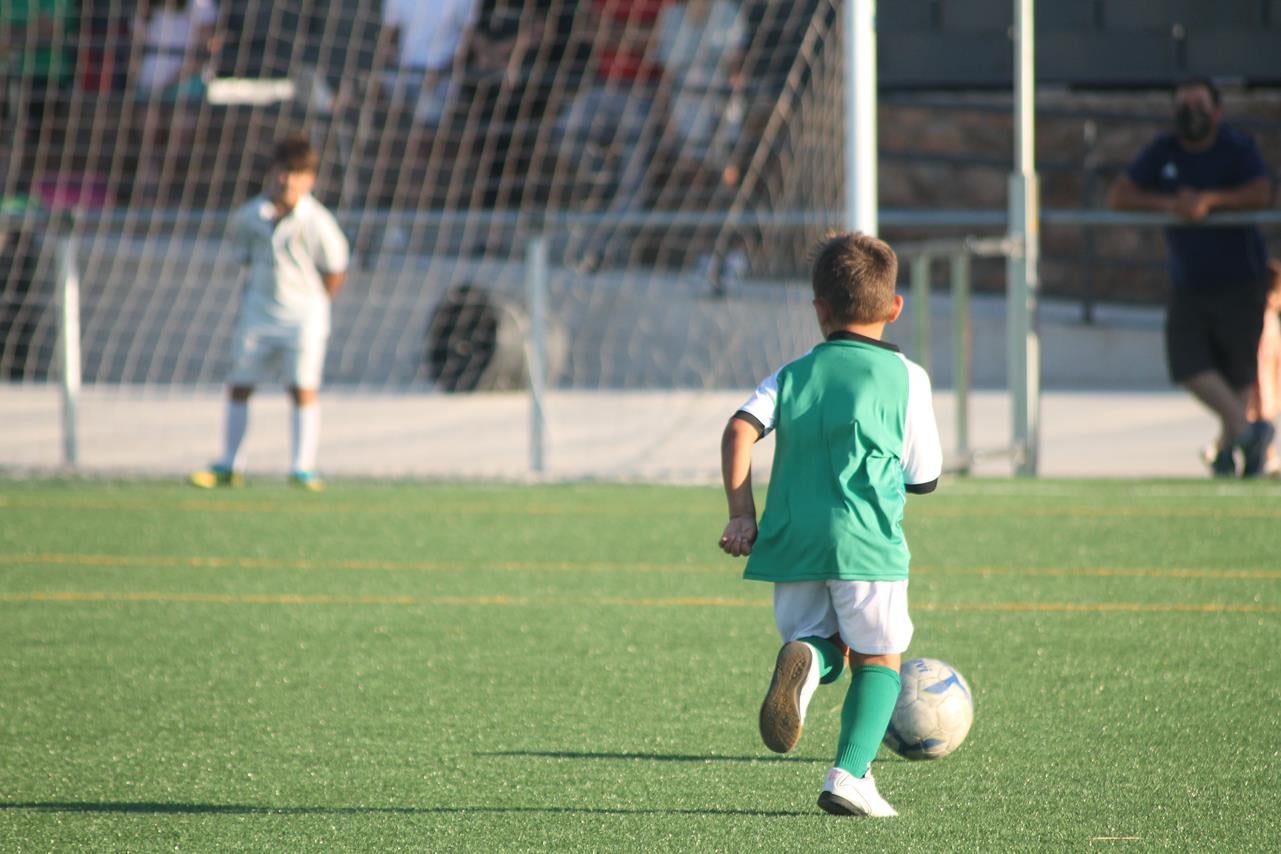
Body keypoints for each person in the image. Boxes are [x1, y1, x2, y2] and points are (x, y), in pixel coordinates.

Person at [718, 231, 943, 817]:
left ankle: (806, 658)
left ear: (819, 309)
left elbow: (739, 428)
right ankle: (849, 775)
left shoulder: (792, 373)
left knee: (826, 645)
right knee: (879, 659)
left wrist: (743, 515)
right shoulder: (908, 377)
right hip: (867, 541)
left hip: (792, 542)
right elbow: (925, 477)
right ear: (895, 308)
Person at [1107, 77, 1275, 477]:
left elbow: (1261, 192)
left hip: (1239, 279)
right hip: (1190, 281)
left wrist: (1209, 202)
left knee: (1237, 373)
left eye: (1198, 104)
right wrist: (1170, 204)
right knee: (1187, 364)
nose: (1190, 113)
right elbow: (1120, 195)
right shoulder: (1164, 150)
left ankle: (1232, 451)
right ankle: (1250, 434)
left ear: (1216, 112)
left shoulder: (1236, 148)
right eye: (1182, 104)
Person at [190, 134, 349, 491]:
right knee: (240, 384)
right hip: (258, 312)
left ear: (309, 179)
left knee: (302, 388)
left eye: (296, 173)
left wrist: (317, 301)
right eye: (282, 171)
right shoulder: (249, 216)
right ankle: (230, 464)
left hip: (304, 316)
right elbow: (242, 258)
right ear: (272, 172)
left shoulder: (318, 221)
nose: (287, 180)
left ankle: (302, 467)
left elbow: (336, 267)